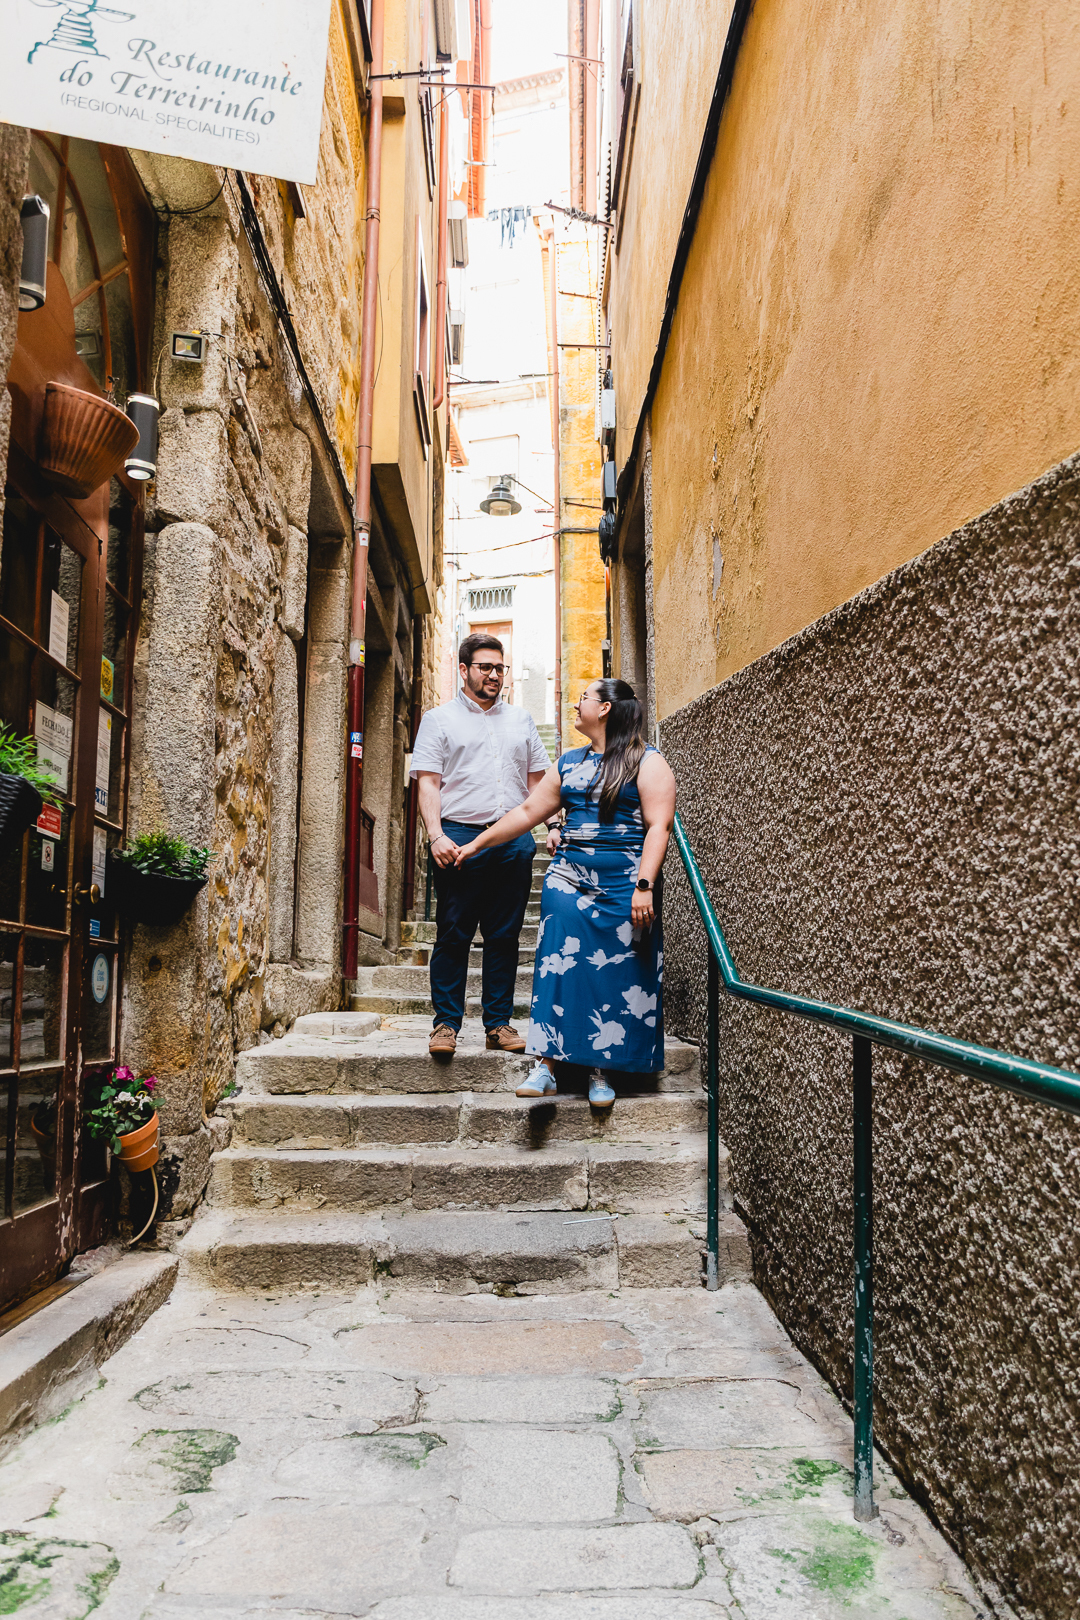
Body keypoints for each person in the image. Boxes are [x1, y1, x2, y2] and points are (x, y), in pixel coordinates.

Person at [454, 678, 676, 1108]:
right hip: (568, 877)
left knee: (615, 974)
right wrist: (478, 843)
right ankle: (545, 1066)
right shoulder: (569, 762)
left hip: (625, 882)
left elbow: (658, 827)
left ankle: (601, 1070)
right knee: (557, 966)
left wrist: (645, 885)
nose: (577, 705)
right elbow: (525, 811)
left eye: (584, 699)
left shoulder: (648, 762)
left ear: (607, 708)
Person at [410, 632, 558, 1058]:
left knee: (504, 935)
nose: (495, 675)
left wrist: (552, 823)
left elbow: (537, 781)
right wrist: (435, 834)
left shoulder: (522, 720)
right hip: (457, 836)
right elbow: (428, 783)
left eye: (500, 668)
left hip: (513, 839)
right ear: (463, 670)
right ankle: (445, 1025)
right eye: (485, 667)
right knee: (453, 933)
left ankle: (498, 1024)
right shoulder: (439, 720)